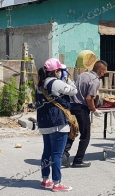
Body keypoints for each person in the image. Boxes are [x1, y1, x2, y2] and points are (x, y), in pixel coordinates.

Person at [36, 58, 77, 192]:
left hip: (44, 122)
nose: (61, 72)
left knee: (47, 152)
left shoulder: (40, 84)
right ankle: (57, 183)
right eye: (60, 70)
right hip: (57, 122)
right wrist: (68, 78)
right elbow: (74, 91)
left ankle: (45, 180)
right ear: (56, 71)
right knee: (57, 154)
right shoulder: (56, 83)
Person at [62, 60, 108, 168]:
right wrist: (94, 110)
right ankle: (78, 160)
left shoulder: (82, 75)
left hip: (71, 106)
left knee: (73, 130)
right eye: (104, 71)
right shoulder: (95, 80)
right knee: (85, 135)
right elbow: (89, 98)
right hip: (81, 108)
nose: (105, 74)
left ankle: (64, 153)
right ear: (100, 71)